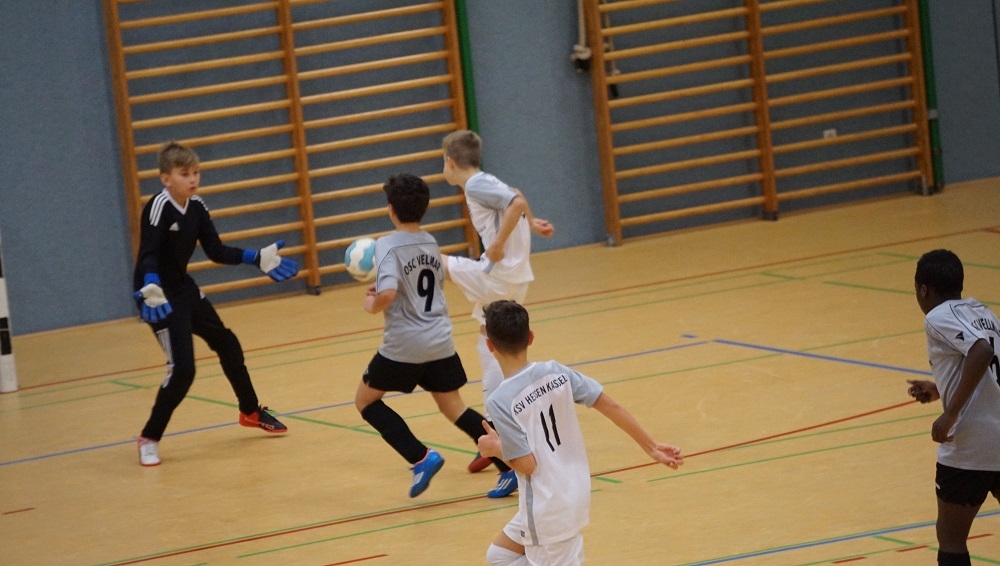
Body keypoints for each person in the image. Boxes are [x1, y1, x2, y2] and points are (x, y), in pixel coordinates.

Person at [477, 300, 683, 565]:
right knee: (499, 556)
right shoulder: (556, 372)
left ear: (489, 345)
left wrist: (495, 448)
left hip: (546, 507)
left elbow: (527, 465)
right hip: (573, 492)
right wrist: (651, 446)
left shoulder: (500, 400)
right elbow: (610, 405)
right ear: (530, 338)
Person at [132, 141, 299, 467]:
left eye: (196, 172)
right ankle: (148, 438)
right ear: (166, 179)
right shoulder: (158, 207)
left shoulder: (197, 207)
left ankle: (250, 412)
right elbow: (148, 254)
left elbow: (216, 251)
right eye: (184, 174)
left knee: (227, 342)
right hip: (157, 296)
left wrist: (255, 257)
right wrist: (150, 283)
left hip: (183, 289)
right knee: (183, 370)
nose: (193, 179)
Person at [354, 172, 496, 498]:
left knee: (365, 401)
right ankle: (508, 466)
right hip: (440, 339)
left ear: (391, 209)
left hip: (405, 344)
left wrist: (372, 304)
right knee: (453, 406)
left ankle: (420, 457)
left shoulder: (385, 245)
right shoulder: (430, 242)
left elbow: (388, 293)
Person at [441, 129, 555, 498]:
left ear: (450, 162)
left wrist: (499, 244)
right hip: (513, 277)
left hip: (499, 274)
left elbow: (515, 202)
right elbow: (517, 196)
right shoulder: (485, 181)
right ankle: (494, 435)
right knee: (487, 341)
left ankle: (505, 455)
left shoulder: (475, 185)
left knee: (430, 258)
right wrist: (532, 223)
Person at [905, 249, 1000, 566]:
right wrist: (939, 389)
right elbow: (991, 365)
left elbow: (981, 352)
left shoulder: (937, 317)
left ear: (923, 289)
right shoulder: (982, 312)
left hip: (970, 446)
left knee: (951, 538)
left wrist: (950, 413)